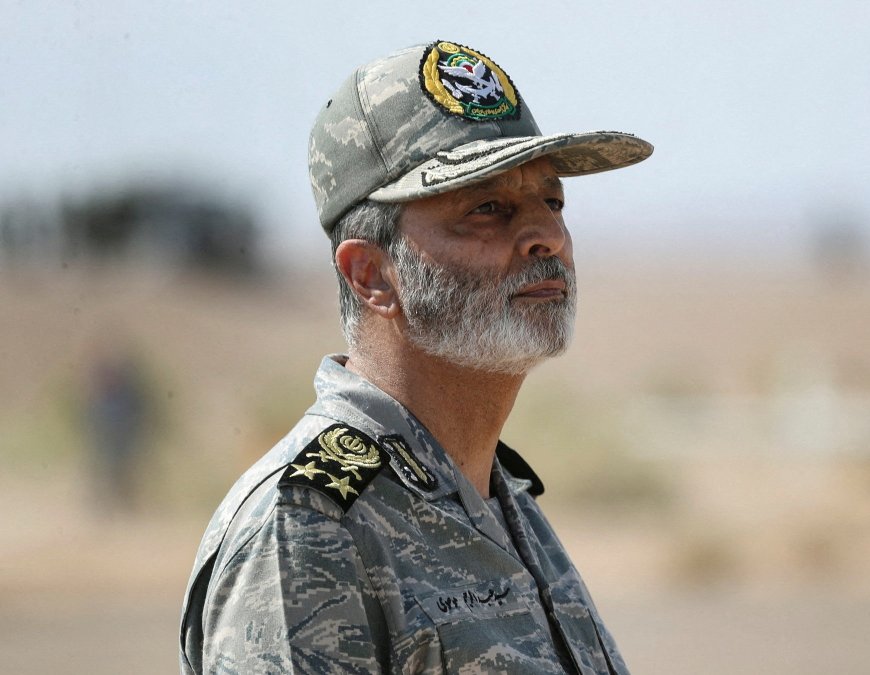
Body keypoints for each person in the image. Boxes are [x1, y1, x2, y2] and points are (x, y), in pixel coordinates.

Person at [179, 40, 651, 674]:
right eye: (487, 208)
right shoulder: (306, 527)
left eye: (553, 202)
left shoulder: (497, 496)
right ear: (370, 274)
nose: (547, 235)